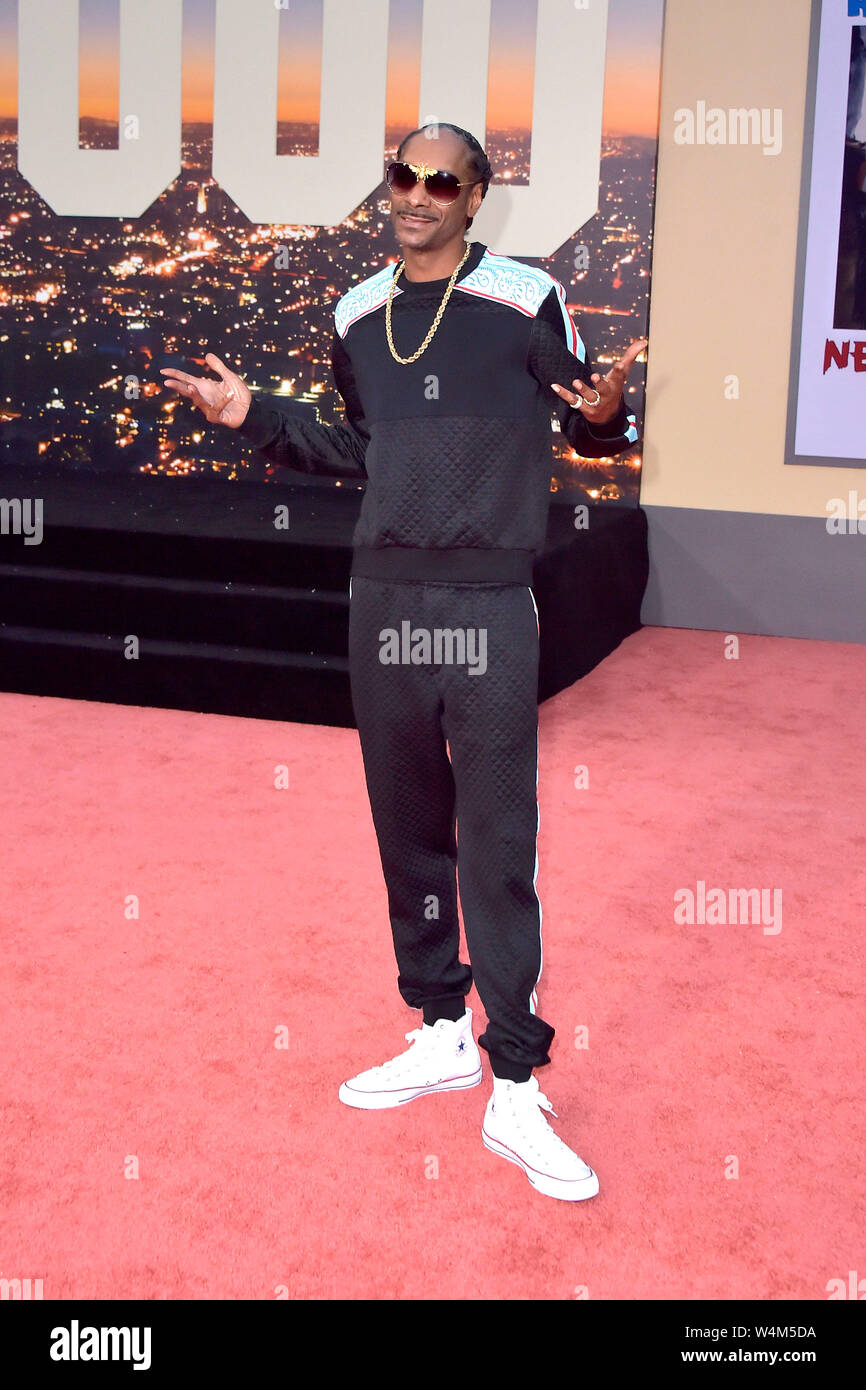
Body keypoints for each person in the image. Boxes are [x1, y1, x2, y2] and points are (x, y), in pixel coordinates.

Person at [161, 123, 647, 1203]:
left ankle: (514, 1077)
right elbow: (359, 446)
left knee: (497, 839)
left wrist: (611, 416)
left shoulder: (526, 300)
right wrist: (254, 419)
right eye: (403, 175)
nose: (417, 193)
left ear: (474, 198)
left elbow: (587, 423)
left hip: (485, 602)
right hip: (380, 600)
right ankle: (439, 1026)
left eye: (442, 180)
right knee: (408, 832)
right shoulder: (355, 312)